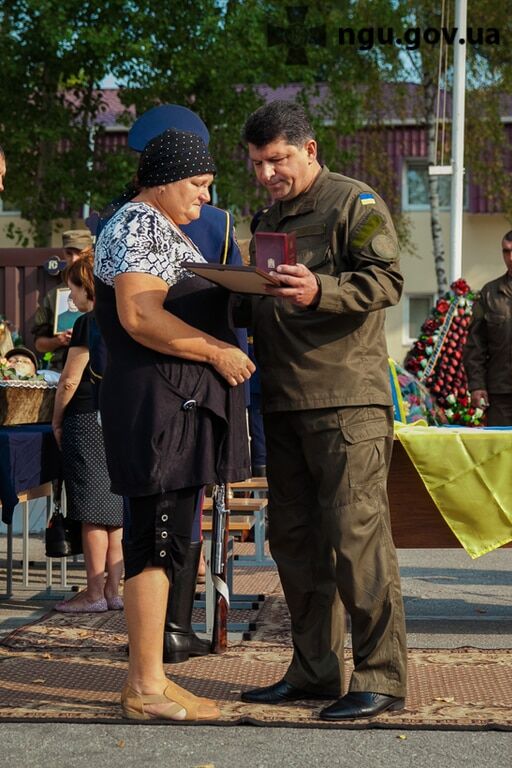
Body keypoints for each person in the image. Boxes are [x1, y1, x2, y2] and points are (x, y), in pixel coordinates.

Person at [237, 100, 407, 721]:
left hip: (346, 402)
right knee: (295, 542)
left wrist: (321, 289)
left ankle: (382, 677)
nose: (266, 174)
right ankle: (314, 670)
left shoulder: (353, 203)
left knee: (355, 540)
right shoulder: (265, 217)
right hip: (282, 401)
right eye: (257, 163)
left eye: (276, 160)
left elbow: (387, 281)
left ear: (308, 150)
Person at [94, 128, 254, 722]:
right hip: (158, 406)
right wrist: (215, 350)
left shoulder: (152, 223)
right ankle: (142, 687)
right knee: (153, 541)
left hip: (169, 403)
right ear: (161, 181)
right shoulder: (138, 224)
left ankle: (153, 677)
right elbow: (138, 314)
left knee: (165, 539)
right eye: (197, 186)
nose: (204, 201)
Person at [51, 253, 124, 613]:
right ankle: (113, 590)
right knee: (115, 511)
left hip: (86, 415)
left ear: (86, 286)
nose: (72, 298)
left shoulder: (87, 322)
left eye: (73, 290)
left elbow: (69, 381)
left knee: (92, 512)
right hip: (117, 415)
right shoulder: (122, 315)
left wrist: (56, 419)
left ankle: (94, 593)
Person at [463, 229, 512, 426]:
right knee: (500, 453)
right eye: (506, 251)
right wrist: (476, 386)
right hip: (500, 395)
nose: (511, 257)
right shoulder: (489, 293)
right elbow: (474, 345)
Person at [32, 230, 93, 370]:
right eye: (69, 253)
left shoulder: (106, 288)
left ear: (91, 251)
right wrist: (58, 340)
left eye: (80, 253)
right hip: (61, 367)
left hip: (97, 366)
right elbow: (39, 344)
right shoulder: (53, 295)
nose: (74, 259)